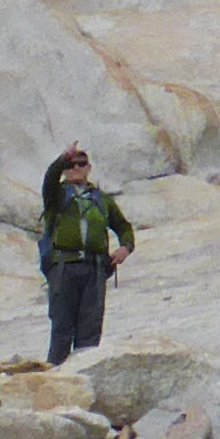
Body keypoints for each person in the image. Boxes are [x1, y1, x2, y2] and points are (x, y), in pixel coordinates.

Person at [37, 144, 138, 362]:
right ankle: (56, 378)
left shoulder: (101, 199)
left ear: (89, 168)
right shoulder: (56, 194)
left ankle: (84, 375)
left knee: (90, 329)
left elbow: (123, 227)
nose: (75, 168)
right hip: (64, 267)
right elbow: (49, 177)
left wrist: (125, 248)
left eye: (80, 164)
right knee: (62, 327)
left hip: (95, 269)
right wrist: (61, 158)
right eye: (70, 165)